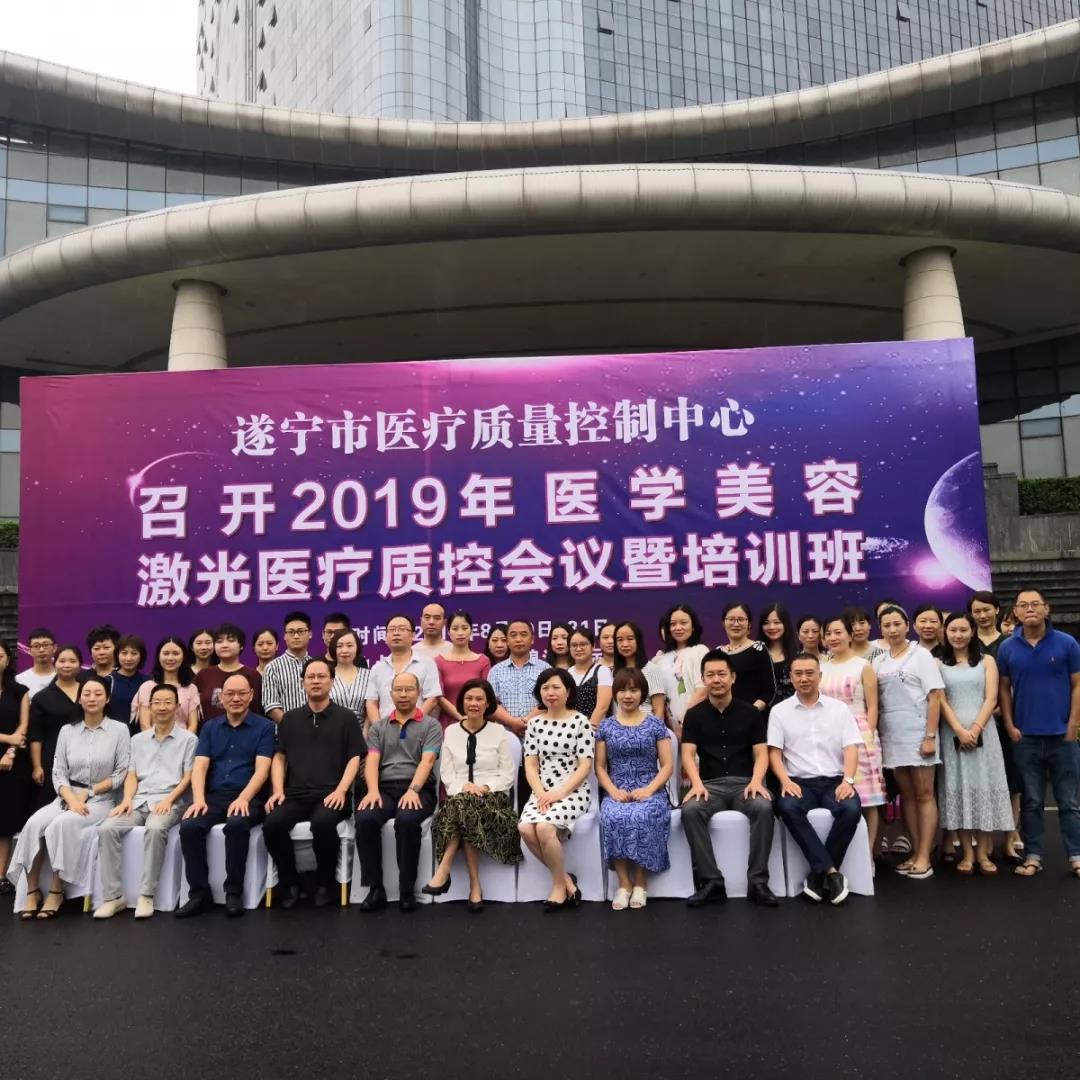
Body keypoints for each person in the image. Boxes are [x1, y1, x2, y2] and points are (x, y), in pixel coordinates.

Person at [9, 677, 129, 919]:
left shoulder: (119, 730)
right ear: (79, 699)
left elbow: (120, 774)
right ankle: (32, 891)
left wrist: (89, 792)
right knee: (34, 824)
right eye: (87, 694)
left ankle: (56, 890)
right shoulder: (67, 730)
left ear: (107, 699)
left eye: (98, 694)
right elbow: (58, 771)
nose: (92, 698)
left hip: (100, 800)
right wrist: (70, 798)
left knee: (62, 824)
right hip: (66, 796)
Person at [263, 659, 364, 909]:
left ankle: (325, 883)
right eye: (311, 677)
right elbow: (280, 757)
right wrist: (278, 791)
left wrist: (341, 790)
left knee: (323, 824)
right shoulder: (290, 719)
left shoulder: (346, 718)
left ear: (332, 681)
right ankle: (290, 883)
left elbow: (354, 758)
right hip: (295, 794)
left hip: (332, 794)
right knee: (272, 824)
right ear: (302, 683)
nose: (316, 681)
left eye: (321, 676)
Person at [680, 650, 777, 907]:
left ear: (733, 677)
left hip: (744, 784)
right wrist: (696, 783)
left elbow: (761, 753)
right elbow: (687, 753)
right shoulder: (694, 715)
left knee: (763, 807)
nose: (717, 679)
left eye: (722, 674)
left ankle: (758, 882)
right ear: (703, 679)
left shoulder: (750, 713)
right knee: (690, 810)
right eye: (710, 675)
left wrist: (757, 781)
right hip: (709, 786)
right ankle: (711, 882)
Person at [92, 683, 198, 920]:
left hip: (172, 800)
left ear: (177, 707)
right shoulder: (137, 740)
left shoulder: (189, 740)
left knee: (156, 828)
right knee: (108, 828)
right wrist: (126, 800)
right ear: (149, 707)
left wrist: (169, 800)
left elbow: (188, 777)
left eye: (168, 702)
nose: (162, 707)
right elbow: (131, 775)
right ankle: (113, 897)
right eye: (157, 702)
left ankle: (146, 895)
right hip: (140, 800)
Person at [996, 587, 1080, 879]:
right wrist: (1009, 724)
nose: (1029, 609)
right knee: (1031, 801)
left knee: (1069, 802)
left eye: (1035, 604)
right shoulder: (1007, 648)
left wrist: (1073, 725)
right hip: (1025, 737)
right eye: (1023, 605)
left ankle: (1076, 856)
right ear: (1016, 613)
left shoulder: (1067, 643)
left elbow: (1077, 685)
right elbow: (1003, 689)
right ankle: (1033, 856)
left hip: (1062, 737)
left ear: (1047, 609)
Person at [176, 672, 275, 917]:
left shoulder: (264, 727)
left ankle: (233, 892)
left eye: (242, 693)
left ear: (251, 695)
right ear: (221, 697)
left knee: (237, 824)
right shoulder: (210, 727)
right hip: (215, 796)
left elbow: (262, 770)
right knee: (189, 826)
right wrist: (199, 799)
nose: (236, 698)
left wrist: (244, 798)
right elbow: (200, 767)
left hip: (249, 797)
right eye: (230, 694)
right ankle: (199, 894)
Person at [769, 654, 862, 905]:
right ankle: (831, 872)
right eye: (798, 674)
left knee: (851, 809)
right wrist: (785, 781)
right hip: (799, 783)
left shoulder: (839, 709)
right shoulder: (779, 712)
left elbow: (851, 748)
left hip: (835, 781)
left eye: (810, 673)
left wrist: (848, 781)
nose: (804, 678)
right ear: (791, 677)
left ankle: (818, 875)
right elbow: (774, 753)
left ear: (820, 676)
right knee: (787, 807)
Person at [424, 678, 520, 910]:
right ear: (462, 702)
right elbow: (447, 774)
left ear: (488, 704)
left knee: (464, 807)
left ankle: (444, 870)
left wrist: (484, 787)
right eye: (469, 698)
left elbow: (507, 775)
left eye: (479, 699)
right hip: (460, 797)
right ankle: (475, 886)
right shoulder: (451, 731)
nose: (473, 703)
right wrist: (465, 787)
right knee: (465, 804)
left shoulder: (498, 732)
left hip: (493, 800)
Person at [355, 672, 443, 913]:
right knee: (365, 818)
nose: (403, 695)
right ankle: (375, 889)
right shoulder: (379, 727)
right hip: (384, 788)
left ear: (418, 693)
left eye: (409, 689)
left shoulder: (430, 725)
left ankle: (406, 890)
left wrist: (413, 790)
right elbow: (372, 761)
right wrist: (372, 790)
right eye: (398, 690)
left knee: (407, 820)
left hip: (418, 789)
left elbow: (427, 761)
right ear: (390, 693)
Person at [937, 612, 1013, 875]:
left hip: (984, 732)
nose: (957, 635)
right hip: (952, 733)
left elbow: (991, 698)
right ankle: (967, 854)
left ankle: (982, 852)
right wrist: (959, 730)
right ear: (945, 633)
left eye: (963, 630)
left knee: (983, 788)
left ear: (972, 632)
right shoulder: (938, 664)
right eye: (952, 630)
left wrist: (976, 729)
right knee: (958, 788)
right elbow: (941, 700)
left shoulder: (987, 661)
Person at [874, 605, 945, 879]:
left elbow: (935, 697)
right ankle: (915, 852)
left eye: (897, 624)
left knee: (925, 795)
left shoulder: (921, 655)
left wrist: (930, 736)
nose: (892, 630)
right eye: (887, 625)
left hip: (919, 734)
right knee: (908, 797)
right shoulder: (879, 661)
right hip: (892, 736)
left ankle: (925, 856)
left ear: (907, 626)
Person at [518, 668, 594, 910]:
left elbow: (585, 766)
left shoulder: (580, 721)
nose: (550, 692)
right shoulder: (534, 724)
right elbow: (531, 765)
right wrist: (541, 793)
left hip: (573, 792)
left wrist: (559, 793)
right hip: (542, 791)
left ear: (568, 691)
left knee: (544, 827)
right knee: (525, 828)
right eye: (545, 688)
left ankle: (558, 887)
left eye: (556, 687)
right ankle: (567, 880)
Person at [597, 668, 672, 910]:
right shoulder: (606, 726)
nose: (627, 695)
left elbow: (667, 765)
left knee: (643, 815)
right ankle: (624, 883)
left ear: (643, 693)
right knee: (613, 816)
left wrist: (649, 790)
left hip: (651, 789)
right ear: (615, 694)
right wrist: (613, 791)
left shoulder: (656, 725)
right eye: (622, 690)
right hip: (617, 789)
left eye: (633, 690)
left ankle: (640, 882)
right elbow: (600, 767)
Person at [821, 615, 885, 865]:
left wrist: (868, 736)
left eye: (838, 632)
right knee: (838, 794)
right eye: (828, 633)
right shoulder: (822, 666)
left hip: (859, 734)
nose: (833, 638)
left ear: (850, 635)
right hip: (829, 735)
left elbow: (873, 706)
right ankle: (843, 856)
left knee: (867, 799)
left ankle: (867, 857)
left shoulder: (863, 666)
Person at [968, 590, 1023, 860]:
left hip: (1007, 719)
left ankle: (1011, 836)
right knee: (982, 780)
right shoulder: (967, 643)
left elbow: (1015, 682)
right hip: (977, 723)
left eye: (986, 609)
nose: (982, 615)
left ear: (997, 610)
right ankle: (985, 838)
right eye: (976, 611)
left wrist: (1002, 710)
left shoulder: (1010, 643)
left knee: (1012, 780)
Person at [27, 644, 84, 809]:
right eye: (62, 661)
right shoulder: (42, 697)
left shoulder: (89, 692)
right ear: (55, 663)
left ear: (80, 665)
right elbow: (35, 735)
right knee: (51, 803)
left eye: (72, 661)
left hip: (86, 754)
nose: (67, 665)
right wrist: (37, 766)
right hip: (52, 756)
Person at [365, 614, 441, 724]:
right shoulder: (378, 668)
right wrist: (379, 729)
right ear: (385, 636)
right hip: (385, 729)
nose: (396, 633)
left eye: (402, 629)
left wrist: (412, 723)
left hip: (418, 728)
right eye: (392, 629)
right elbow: (371, 702)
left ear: (413, 635)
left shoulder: (427, 663)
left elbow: (432, 698)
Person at [0, 640, 32, 891]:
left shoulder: (19, 690)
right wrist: (6, 738)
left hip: (9, 763)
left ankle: (1, 875)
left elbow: (24, 725)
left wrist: (10, 751)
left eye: (0, 655)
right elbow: (12, 735)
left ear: (8, 659)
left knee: (5, 822)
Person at [655, 603, 709, 733]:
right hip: (671, 728)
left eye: (683, 623)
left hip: (697, 722)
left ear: (693, 626)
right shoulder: (661, 659)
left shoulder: (700, 651)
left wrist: (686, 718)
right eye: (673, 624)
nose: (678, 628)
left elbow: (702, 690)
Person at [195, 623, 264, 722]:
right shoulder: (203, 675)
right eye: (219, 641)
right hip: (211, 730)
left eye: (231, 640)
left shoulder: (253, 675)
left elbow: (259, 710)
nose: (224, 645)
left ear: (241, 646)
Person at [489, 619, 545, 739]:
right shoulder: (495, 671)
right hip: (505, 737)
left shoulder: (545, 668)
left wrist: (527, 722)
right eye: (513, 635)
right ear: (507, 641)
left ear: (532, 639)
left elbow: (549, 701)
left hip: (539, 736)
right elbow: (492, 704)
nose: (518, 639)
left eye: (523, 634)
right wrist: (512, 723)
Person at [435, 610, 491, 729]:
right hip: (448, 723)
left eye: (464, 628)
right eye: (455, 629)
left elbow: (487, 694)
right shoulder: (439, 661)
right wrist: (460, 717)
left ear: (471, 630)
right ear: (448, 632)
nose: (460, 633)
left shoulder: (483, 661)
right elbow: (438, 696)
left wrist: (470, 717)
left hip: (477, 722)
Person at [135, 637, 201, 732]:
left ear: (183, 656)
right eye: (166, 653)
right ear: (159, 656)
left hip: (184, 740)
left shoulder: (191, 688)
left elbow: (193, 726)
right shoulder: (147, 687)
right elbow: (145, 724)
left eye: (175, 653)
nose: (170, 658)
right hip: (153, 739)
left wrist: (183, 740)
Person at [719, 602, 773, 711]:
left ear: (749, 624)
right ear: (724, 623)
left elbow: (769, 691)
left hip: (752, 715)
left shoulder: (758, 649)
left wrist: (750, 713)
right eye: (731, 619)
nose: (736, 624)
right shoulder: (718, 653)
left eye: (741, 619)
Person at [263, 611, 313, 723]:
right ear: (284, 636)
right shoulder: (273, 667)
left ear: (310, 634)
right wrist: (292, 726)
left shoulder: (317, 665)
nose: (296, 636)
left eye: (301, 631)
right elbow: (270, 705)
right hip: (286, 730)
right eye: (291, 632)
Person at [612, 621, 666, 718]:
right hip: (619, 725)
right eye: (620, 640)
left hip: (646, 725)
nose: (625, 644)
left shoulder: (652, 669)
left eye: (630, 639)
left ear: (638, 640)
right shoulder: (614, 672)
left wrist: (654, 727)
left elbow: (659, 710)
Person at [568, 626, 612, 729]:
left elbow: (602, 707)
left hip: (595, 730)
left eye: (583, 644)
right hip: (569, 731)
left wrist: (586, 732)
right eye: (574, 645)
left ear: (593, 646)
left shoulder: (602, 671)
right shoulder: (567, 673)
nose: (578, 649)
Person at [328, 628, 371, 726]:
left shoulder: (368, 675)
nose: (344, 650)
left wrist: (365, 732)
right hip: (331, 730)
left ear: (357, 648)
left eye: (349, 645)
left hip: (363, 731)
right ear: (334, 649)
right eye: (339, 646)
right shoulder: (326, 675)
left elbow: (373, 706)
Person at [759, 602, 797, 706]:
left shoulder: (798, 655)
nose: (771, 627)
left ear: (785, 624)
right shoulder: (756, 653)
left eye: (777, 622)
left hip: (792, 711)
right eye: (766, 623)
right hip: (761, 712)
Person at [110, 635, 146, 731]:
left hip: (139, 735)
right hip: (113, 735)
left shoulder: (148, 682)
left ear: (141, 656)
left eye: (134, 653)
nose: (129, 658)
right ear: (117, 655)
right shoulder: (108, 681)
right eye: (124, 653)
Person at [16, 628, 56, 698]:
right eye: (36, 646)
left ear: (54, 648)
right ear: (29, 650)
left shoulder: (63, 676)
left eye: (46, 645)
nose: (41, 650)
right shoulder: (19, 680)